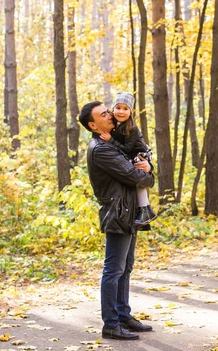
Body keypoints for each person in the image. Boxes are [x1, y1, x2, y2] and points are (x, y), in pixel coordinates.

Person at [78, 100, 155, 341]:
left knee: (126, 267)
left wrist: (148, 166)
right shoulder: (102, 149)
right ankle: (111, 323)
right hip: (117, 212)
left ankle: (123, 315)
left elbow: (139, 167)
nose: (111, 115)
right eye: (104, 114)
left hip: (128, 211)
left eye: (108, 111)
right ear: (93, 125)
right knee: (113, 270)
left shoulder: (114, 143)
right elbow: (135, 176)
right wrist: (147, 173)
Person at [99, 92, 157, 226]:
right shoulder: (115, 124)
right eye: (118, 107)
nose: (121, 111)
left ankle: (145, 209)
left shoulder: (132, 129)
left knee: (137, 177)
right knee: (134, 178)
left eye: (125, 108)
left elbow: (126, 148)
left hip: (140, 153)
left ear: (130, 112)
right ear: (112, 109)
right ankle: (142, 209)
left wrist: (110, 140)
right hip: (130, 153)